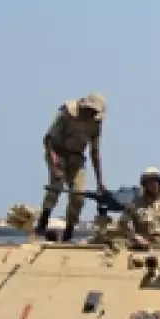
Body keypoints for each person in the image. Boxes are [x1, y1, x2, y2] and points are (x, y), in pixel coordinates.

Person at [37, 93, 107, 241]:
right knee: (56, 185)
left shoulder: (96, 123)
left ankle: (69, 229)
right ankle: (43, 220)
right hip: (57, 152)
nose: (90, 114)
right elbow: (48, 139)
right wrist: (54, 161)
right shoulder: (67, 113)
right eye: (89, 110)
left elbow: (95, 152)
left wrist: (100, 182)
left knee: (79, 195)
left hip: (77, 158)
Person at [118, 167, 160, 243]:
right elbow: (123, 222)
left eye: (156, 181)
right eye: (150, 182)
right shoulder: (135, 204)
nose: (154, 184)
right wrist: (135, 237)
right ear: (145, 185)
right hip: (142, 246)